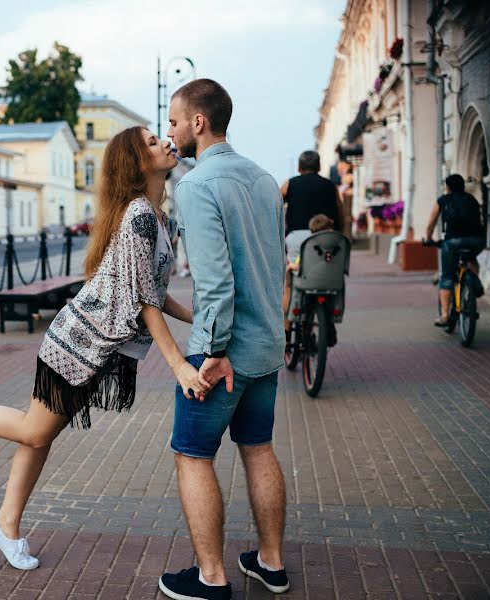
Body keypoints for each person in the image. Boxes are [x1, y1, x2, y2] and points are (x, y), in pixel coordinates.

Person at [0, 126, 206, 571]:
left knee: (39, 435)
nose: (164, 142)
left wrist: (194, 317)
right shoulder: (139, 216)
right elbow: (144, 298)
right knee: (34, 431)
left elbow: (153, 290)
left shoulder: (158, 218)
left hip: (95, 343)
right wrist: (178, 364)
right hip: (78, 341)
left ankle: (6, 525)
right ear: (136, 162)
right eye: (151, 142)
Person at [158, 78, 289, 600]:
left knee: (193, 454)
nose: (169, 131)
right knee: (258, 448)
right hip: (265, 347)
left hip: (226, 354)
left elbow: (213, 282)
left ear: (198, 122)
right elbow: (274, 267)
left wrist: (211, 353)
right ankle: (271, 564)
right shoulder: (263, 179)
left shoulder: (195, 185)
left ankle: (211, 577)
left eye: (172, 121)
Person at [424, 173, 485, 326]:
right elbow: (480, 220)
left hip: (453, 242)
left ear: (448, 187)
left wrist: (428, 238)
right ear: (463, 186)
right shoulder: (472, 200)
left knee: (447, 277)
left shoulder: (443, 200)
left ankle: (444, 316)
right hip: (476, 241)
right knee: (471, 259)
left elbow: (431, 222)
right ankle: (473, 284)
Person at [281, 150, 344, 265]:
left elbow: (275, 205)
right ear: (319, 167)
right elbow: (340, 212)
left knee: (293, 270)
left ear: (299, 168)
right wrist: (341, 234)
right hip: (326, 237)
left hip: (297, 238)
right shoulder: (331, 186)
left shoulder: (289, 184)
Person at [282, 214, 335, 346]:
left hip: (308, 284)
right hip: (330, 284)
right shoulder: (336, 246)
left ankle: (288, 325)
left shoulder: (308, 248)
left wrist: (290, 266)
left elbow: (298, 265)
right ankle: (329, 325)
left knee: (290, 281)